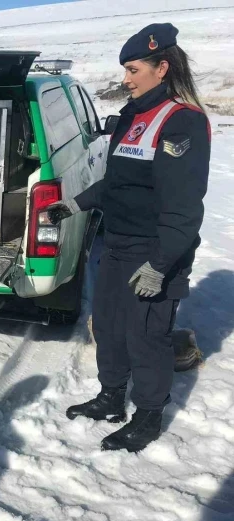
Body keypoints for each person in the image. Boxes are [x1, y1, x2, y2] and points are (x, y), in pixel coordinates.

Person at [46, 23, 211, 453]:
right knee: (111, 327)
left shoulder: (182, 122)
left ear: (163, 68)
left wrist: (159, 265)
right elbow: (116, 183)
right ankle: (110, 397)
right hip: (118, 244)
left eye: (134, 68)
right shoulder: (132, 116)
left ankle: (150, 416)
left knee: (146, 335)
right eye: (125, 69)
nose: (126, 78)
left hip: (155, 249)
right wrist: (75, 204)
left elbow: (183, 208)